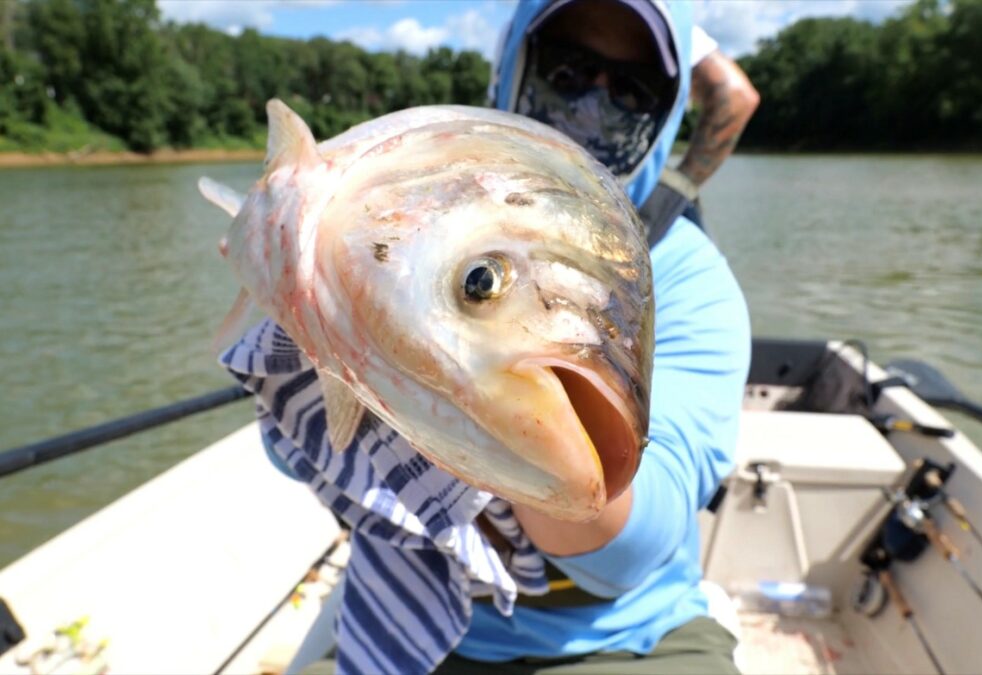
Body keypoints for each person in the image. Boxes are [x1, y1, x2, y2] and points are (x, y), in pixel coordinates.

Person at [221, 1, 758, 673]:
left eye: (631, 88)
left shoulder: (691, 277)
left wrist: (499, 416)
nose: (595, 102)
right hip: (405, 614)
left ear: (666, 109)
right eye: (569, 69)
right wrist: (322, 308)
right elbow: (301, 449)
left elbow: (635, 547)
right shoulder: (403, 225)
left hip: (621, 634)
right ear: (515, 67)